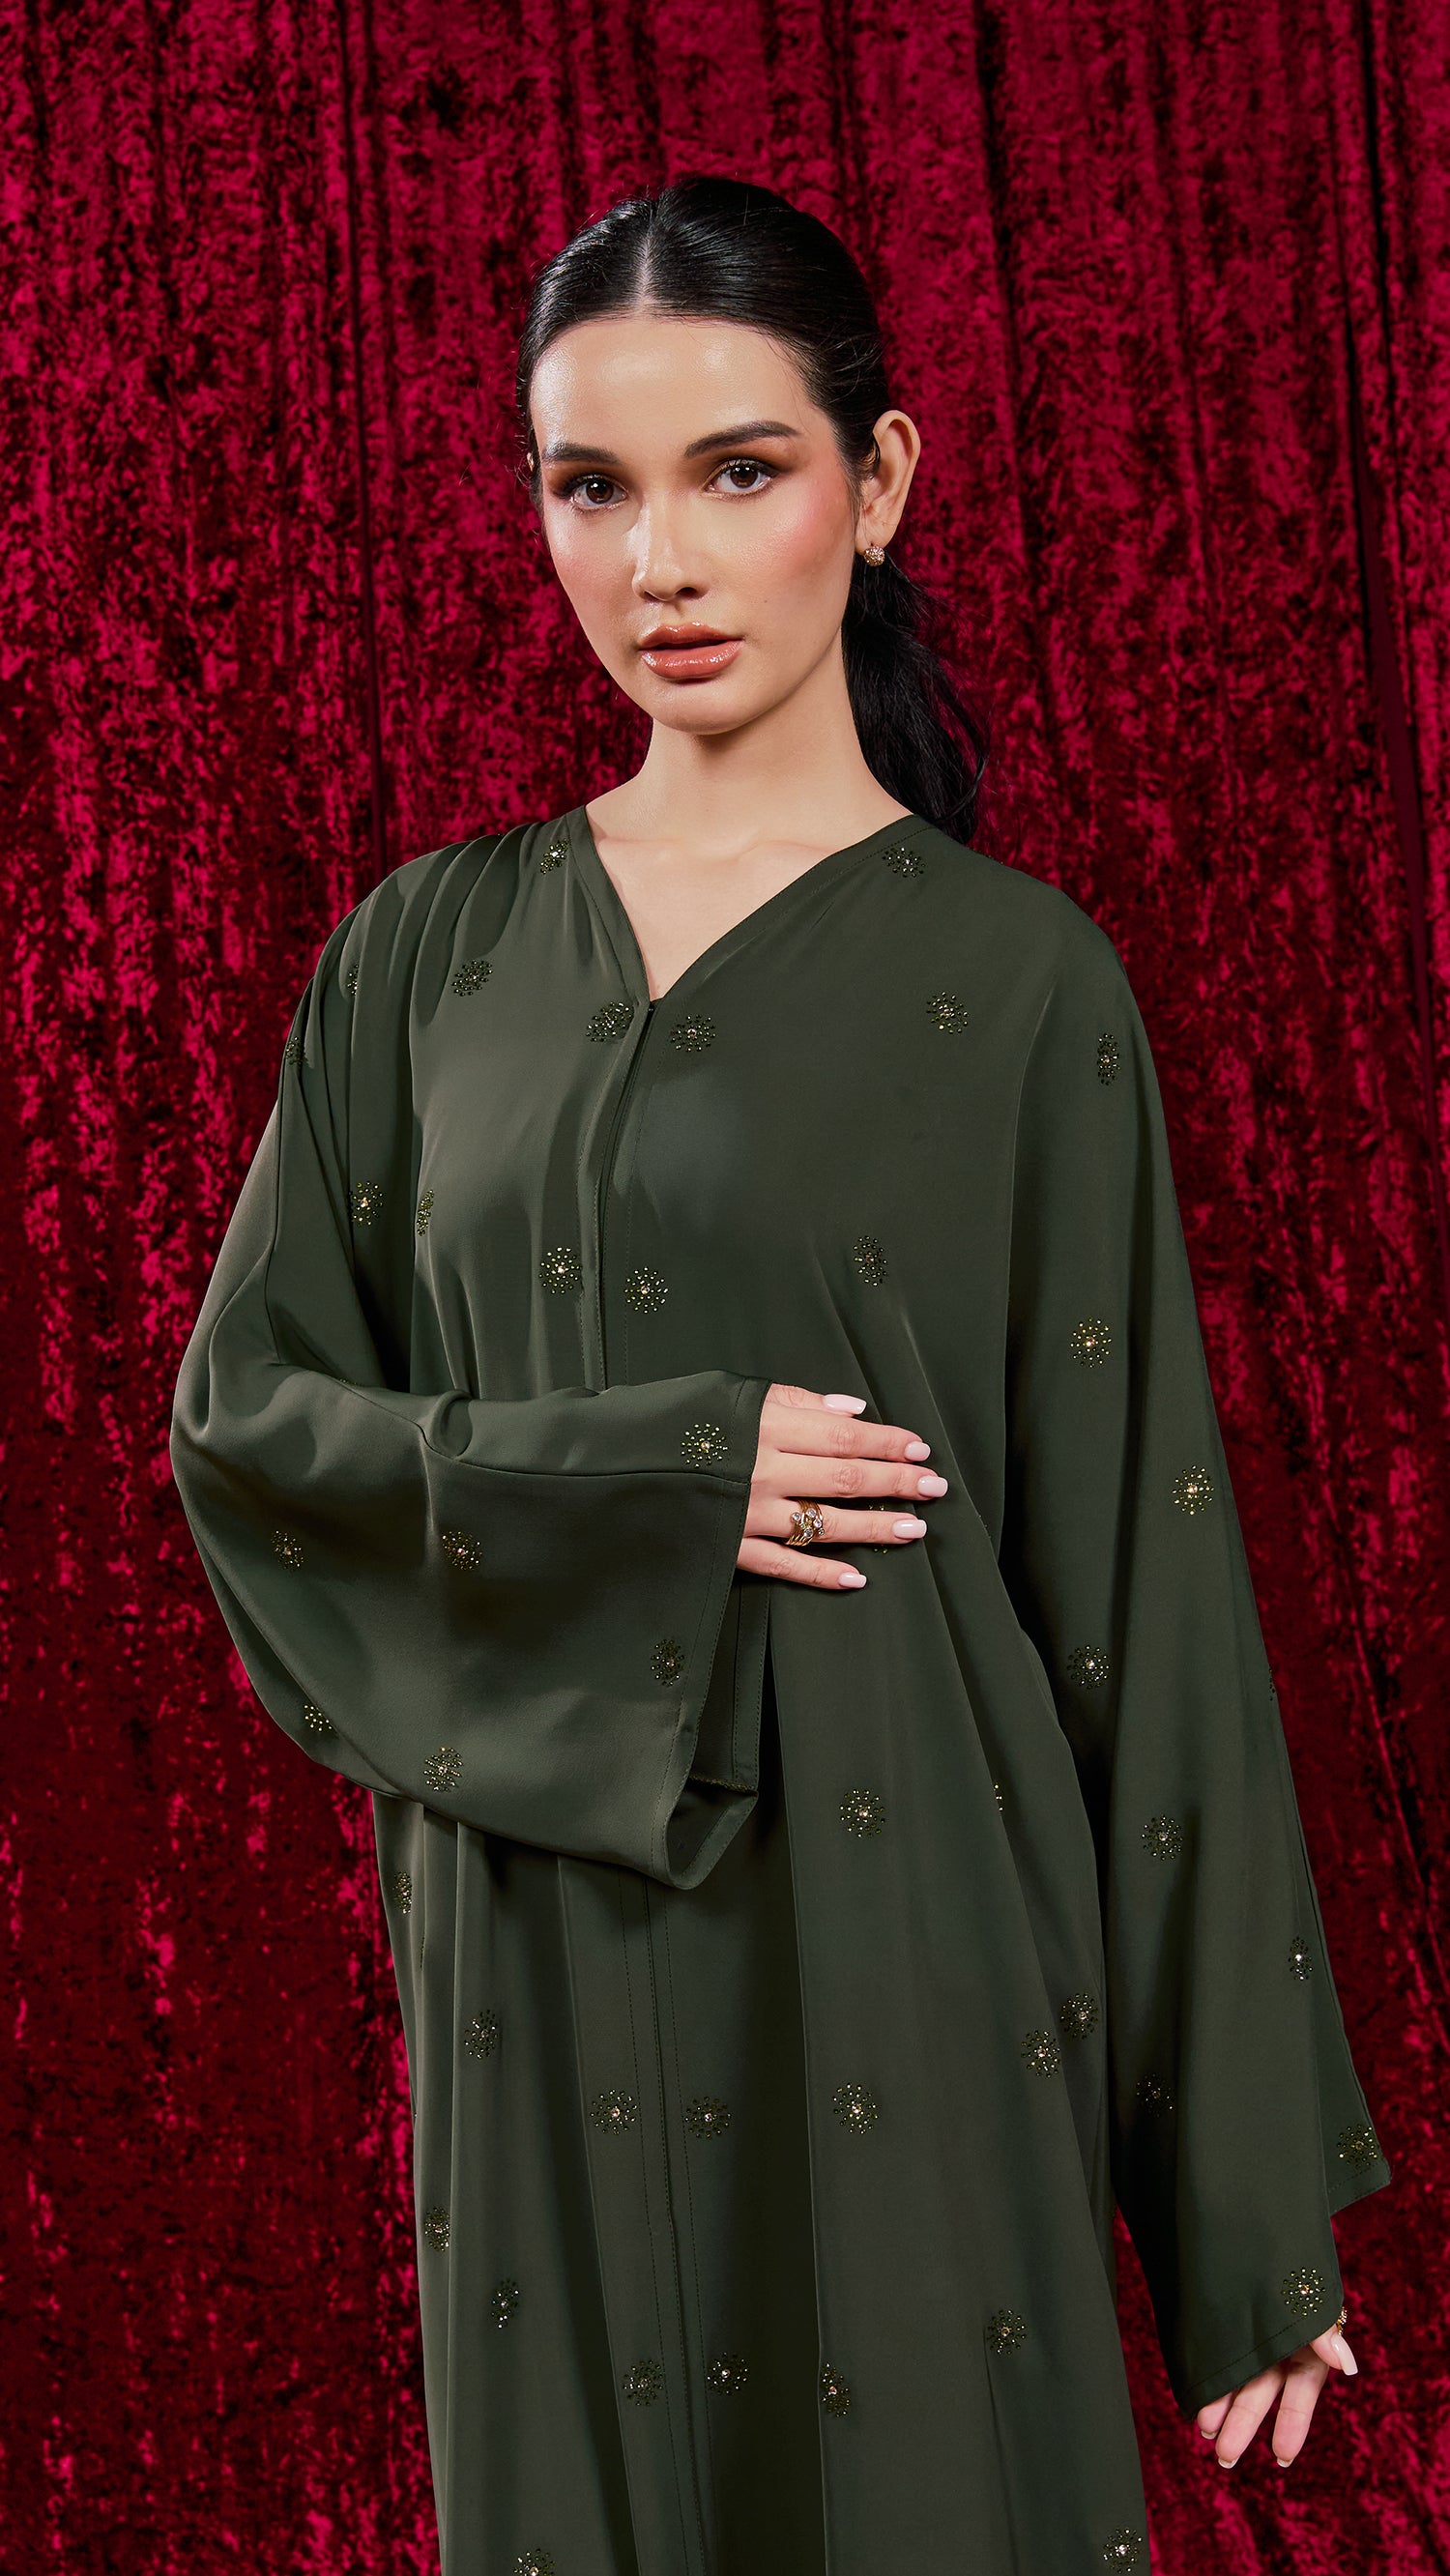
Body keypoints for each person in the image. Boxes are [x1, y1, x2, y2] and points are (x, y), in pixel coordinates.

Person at [169, 174, 1392, 2576]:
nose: (662, 562)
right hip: (538, 1965)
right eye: (590, 485)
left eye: (740, 471)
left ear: (882, 477)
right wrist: (657, 1478)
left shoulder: (1020, 987)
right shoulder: (423, 962)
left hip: (908, 1946)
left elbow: (1141, 1590)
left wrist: (1240, 2195)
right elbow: (254, 1439)